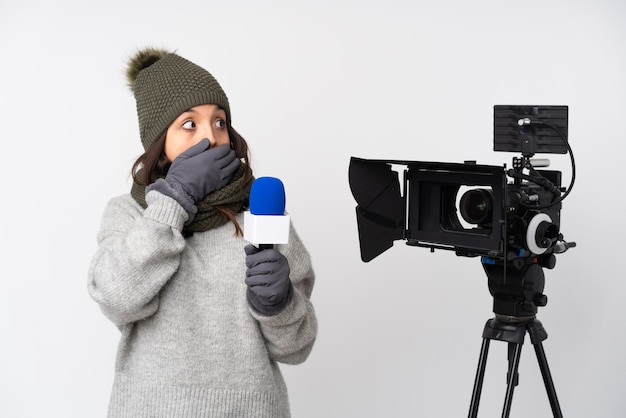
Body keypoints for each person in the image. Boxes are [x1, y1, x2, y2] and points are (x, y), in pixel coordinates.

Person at [88, 47, 317, 417]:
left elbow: (297, 347)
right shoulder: (130, 213)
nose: (211, 138)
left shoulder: (261, 214)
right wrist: (174, 200)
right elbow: (115, 297)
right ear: (159, 142)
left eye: (220, 122)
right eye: (189, 124)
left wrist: (280, 304)